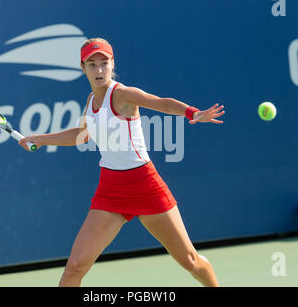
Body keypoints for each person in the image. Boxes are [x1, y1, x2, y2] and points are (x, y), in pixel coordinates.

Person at [19, 38, 224, 287]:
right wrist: (39, 139)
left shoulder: (123, 94)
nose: (99, 70)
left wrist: (193, 113)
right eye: (92, 64)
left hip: (146, 185)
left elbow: (161, 102)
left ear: (112, 64)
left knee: (190, 261)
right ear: (82, 67)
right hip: (110, 191)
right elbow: (81, 135)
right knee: (75, 266)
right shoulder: (91, 101)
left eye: (104, 63)